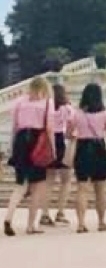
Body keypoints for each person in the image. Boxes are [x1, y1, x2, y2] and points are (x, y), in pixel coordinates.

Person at [4, 76, 55, 236]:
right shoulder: (47, 103)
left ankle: (8, 217)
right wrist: (53, 149)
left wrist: (12, 148)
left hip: (21, 141)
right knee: (37, 186)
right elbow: (49, 128)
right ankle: (31, 225)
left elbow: (14, 127)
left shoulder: (19, 102)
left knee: (20, 185)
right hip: (37, 142)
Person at [72, 82, 106, 233]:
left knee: (82, 188)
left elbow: (68, 133)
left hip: (82, 147)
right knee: (100, 189)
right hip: (98, 148)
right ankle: (101, 222)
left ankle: (81, 223)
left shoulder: (76, 113)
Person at [39, 82, 73, 226]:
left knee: (48, 181)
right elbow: (71, 129)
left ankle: (45, 214)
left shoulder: (46, 108)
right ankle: (61, 211)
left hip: (50, 141)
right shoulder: (68, 109)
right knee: (66, 181)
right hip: (63, 142)